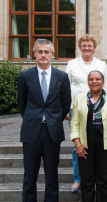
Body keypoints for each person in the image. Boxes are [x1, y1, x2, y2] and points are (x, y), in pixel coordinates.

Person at [17, 39, 71, 202]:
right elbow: (22, 103)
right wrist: (32, 119)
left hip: (52, 132)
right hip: (31, 131)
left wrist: (54, 120)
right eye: (39, 51)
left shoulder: (62, 76)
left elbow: (65, 104)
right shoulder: (25, 75)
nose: (43, 55)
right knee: (29, 177)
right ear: (34, 54)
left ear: (52, 54)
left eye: (46, 52)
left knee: (52, 176)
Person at [70, 70, 107, 202]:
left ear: (103, 82)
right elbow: (74, 123)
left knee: (103, 182)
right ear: (88, 82)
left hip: (106, 144)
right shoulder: (79, 98)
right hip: (85, 144)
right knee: (87, 182)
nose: (94, 81)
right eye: (91, 79)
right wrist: (77, 144)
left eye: (98, 79)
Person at [65, 34, 107, 192]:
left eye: (90, 45)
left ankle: (95, 180)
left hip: (98, 108)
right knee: (77, 144)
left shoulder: (101, 65)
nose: (87, 48)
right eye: (84, 45)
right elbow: (66, 87)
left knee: (96, 145)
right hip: (76, 109)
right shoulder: (71, 64)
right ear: (80, 47)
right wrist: (66, 108)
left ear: (94, 47)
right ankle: (78, 179)